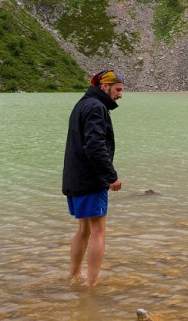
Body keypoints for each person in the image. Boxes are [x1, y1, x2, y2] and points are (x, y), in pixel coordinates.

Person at [62, 69, 125, 287]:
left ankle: (74, 276)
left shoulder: (82, 103)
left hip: (75, 178)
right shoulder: (97, 108)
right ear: (104, 86)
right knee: (98, 230)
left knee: (84, 229)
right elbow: (95, 145)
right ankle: (92, 286)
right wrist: (111, 176)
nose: (120, 95)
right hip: (90, 179)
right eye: (118, 90)